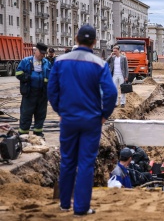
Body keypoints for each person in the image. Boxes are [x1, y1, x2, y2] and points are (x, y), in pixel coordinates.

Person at [47, 24, 117, 216]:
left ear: (76, 39)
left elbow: (52, 90)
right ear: (94, 42)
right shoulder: (99, 64)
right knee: (86, 162)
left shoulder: (60, 61)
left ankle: (64, 204)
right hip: (91, 120)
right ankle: (81, 208)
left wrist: (60, 110)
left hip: (69, 119)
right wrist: (104, 114)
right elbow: (111, 93)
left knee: (67, 160)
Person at [15, 43, 51, 137]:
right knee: (26, 114)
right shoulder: (26, 61)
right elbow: (18, 73)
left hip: (42, 94)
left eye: (44, 53)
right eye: (41, 53)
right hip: (29, 93)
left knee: (40, 114)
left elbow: (51, 76)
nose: (42, 55)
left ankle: (38, 135)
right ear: (35, 51)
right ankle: (23, 135)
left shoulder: (46, 63)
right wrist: (29, 77)